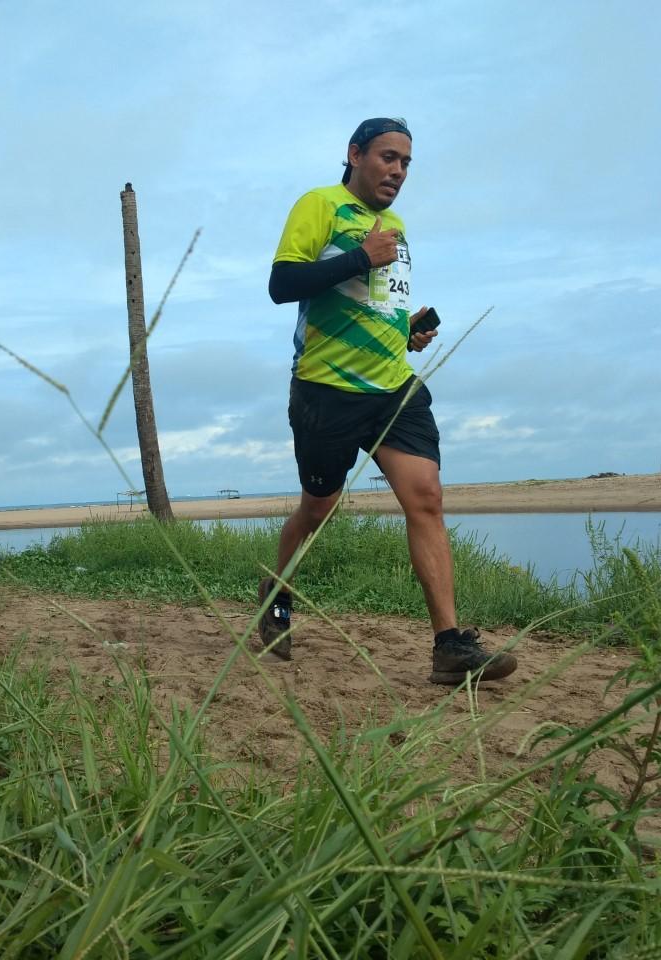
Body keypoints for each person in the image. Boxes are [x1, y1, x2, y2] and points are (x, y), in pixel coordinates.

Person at [259, 117, 517, 685]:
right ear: (355, 155)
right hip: (326, 390)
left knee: (425, 498)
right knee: (318, 511)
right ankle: (276, 593)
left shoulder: (395, 227)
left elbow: (374, 305)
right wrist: (360, 257)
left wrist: (407, 331)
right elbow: (282, 285)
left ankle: (449, 645)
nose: (397, 171)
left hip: (393, 387)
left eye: (406, 163)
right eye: (387, 158)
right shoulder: (319, 205)